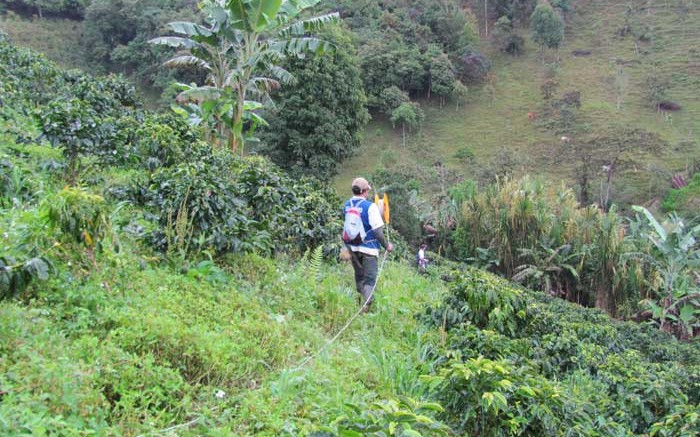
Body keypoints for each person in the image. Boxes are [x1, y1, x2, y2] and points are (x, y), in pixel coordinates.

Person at [344, 177, 393, 312]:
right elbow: (377, 232)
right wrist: (387, 245)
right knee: (370, 281)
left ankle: (360, 304)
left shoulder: (347, 205)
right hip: (369, 250)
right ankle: (365, 308)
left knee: (359, 277)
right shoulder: (370, 207)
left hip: (352, 248)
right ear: (364, 191)